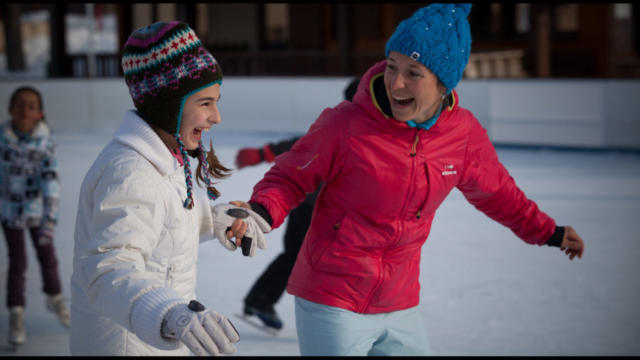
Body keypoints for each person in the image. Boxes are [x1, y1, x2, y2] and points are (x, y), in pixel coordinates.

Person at [230, 3, 585, 356]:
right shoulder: (345, 124)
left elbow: (499, 194)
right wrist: (261, 211)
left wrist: (548, 231)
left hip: (400, 302)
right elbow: (291, 176)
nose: (396, 81)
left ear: (443, 82)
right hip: (333, 297)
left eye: (413, 72)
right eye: (392, 66)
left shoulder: (461, 135)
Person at [69, 21, 270, 356]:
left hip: (157, 340)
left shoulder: (166, 159)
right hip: (126, 345)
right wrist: (169, 313)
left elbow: (161, 217)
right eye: (205, 103)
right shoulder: (132, 172)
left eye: (216, 101)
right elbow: (108, 270)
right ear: (167, 104)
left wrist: (215, 219)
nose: (217, 117)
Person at [236, 78, 359, 331]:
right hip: (314, 206)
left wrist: (261, 154)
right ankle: (263, 300)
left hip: (324, 207)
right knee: (303, 258)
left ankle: (261, 299)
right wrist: (262, 154)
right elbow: (302, 146)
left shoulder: (350, 123)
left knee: (303, 258)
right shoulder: (346, 125)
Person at [0, 86, 70, 348]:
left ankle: (56, 300)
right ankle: (16, 313)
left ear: (40, 113)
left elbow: (51, 183)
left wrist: (49, 220)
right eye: (19, 105)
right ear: (10, 109)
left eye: (31, 106)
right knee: (17, 264)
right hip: (9, 214)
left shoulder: (45, 143)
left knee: (47, 259)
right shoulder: (2, 139)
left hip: (38, 214)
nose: (24, 110)